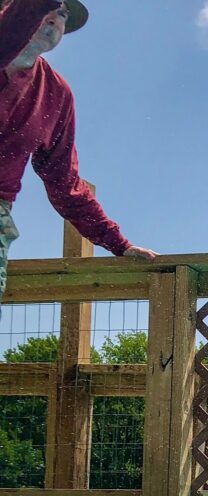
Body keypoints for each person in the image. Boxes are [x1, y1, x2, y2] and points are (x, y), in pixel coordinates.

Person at [0, 0, 158, 315]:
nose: (55, 19)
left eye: (62, 14)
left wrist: (118, 243)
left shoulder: (56, 94)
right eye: (48, 7)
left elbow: (64, 183)